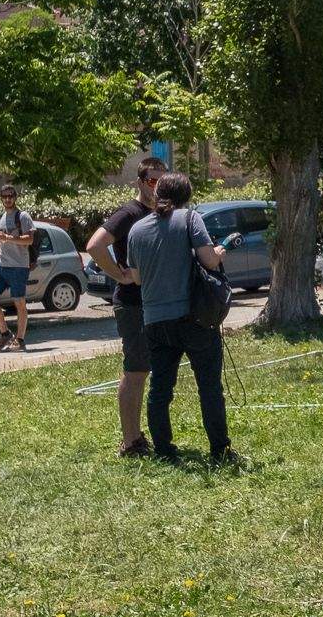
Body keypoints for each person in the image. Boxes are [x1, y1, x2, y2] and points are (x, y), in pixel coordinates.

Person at [125, 171, 234, 464]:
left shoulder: (136, 230)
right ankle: (220, 449)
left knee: (160, 388)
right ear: (186, 196)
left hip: (155, 321)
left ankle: (163, 449)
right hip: (194, 317)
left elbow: (135, 278)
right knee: (209, 386)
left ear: (158, 193)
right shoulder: (190, 219)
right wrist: (220, 251)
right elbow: (209, 260)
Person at [87, 157, 167, 456]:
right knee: (135, 371)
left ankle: (137, 436)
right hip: (133, 304)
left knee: (144, 370)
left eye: (163, 181)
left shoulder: (160, 212)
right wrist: (118, 274)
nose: (158, 186)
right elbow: (95, 245)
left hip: (154, 303)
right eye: (152, 180)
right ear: (140, 182)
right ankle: (130, 442)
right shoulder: (129, 213)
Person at [0, 184, 38, 351]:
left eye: (10, 196)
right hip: (0, 265)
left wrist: (8, 237)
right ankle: (5, 333)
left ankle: (20, 339)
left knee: (19, 302)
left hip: (18, 266)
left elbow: (29, 240)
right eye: (5, 196)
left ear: (15, 197)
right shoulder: (0, 217)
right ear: (1, 198)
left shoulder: (23, 217)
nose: (8, 199)